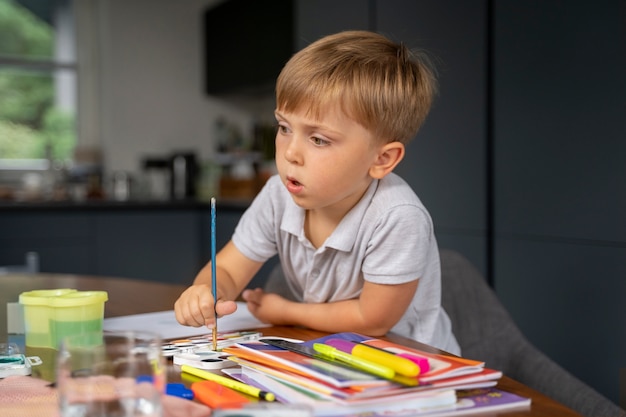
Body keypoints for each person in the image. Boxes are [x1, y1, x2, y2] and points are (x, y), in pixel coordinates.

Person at [174, 30, 460, 354]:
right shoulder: (278, 195)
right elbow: (226, 268)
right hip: (336, 355)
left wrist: (285, 312)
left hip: (413, 368)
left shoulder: (398, 217)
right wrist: (205, 291)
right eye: (284, 128)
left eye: (319, 139)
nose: (290, 153)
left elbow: (372, 320)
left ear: (382, 159)